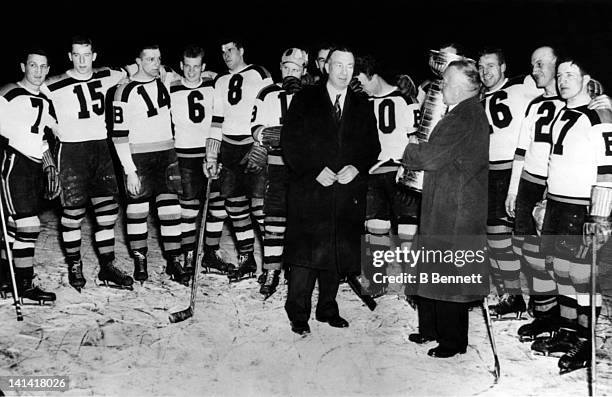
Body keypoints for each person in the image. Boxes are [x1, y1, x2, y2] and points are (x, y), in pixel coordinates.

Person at [282, 45, 380, 335]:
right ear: (326, 67)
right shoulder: (305, 98)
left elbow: (372, 147)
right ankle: (298, 313)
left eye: (349, 66)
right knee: (305, 254)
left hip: (344, 193)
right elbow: (290, 143)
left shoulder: (362, 104)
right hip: (311, 190)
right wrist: (313, 171)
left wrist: (357, 167)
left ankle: (327, 307)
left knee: (336, 253)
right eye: (338, 65)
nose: (343, 72)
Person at [403, 59, 489, 358]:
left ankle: (453, 342)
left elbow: (431, 158)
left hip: (456, 209)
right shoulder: (462, 113)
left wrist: (411, 147)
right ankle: (430, 329)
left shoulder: (466, 116)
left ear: (466, 87)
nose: (443, 87)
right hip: (444, 202)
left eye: (448, 83)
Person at [535, 57, 612, 373]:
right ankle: (567, 333)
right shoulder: (561, 112)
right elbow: (556, 160)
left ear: (586, 78)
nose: (564, 80)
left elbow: (608, 168)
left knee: (583, 279)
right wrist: (544, 198)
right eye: (561, 75)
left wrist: (600, 216)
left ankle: (586, 341)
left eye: (572, 75)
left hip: (582, 206)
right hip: (557, 202)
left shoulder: (599, 114)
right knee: (562, 272)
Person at [41, 36, 134, 291]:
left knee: (106, 213)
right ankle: (74, 264)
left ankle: (107, 266)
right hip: (71, 152)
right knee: (72, 215)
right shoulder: (52, 84)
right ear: (70, 56)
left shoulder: (107, 75)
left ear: (94, 55)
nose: (82, 61)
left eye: (87, 55)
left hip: (101, 149)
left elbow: (136, 70)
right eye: (76, 55)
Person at [112, 44, 185, 285]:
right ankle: (140, 260)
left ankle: (174, 261)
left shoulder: (163, 79)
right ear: (139, 61)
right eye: (151, 59)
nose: (157, 64)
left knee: (171, 211)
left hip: (166, 153)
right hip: (139, 156)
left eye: (159, 59)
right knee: (136, 212)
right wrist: (129, 170)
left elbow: (189, 74)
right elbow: (119, 135)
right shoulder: (123, 91)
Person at [479, 48, 542, 318]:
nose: (486, 72)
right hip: (490, 172)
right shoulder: (479, 95)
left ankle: (544, 304)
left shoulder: (523, 85)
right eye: (481, 67)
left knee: (526, 240)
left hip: (517, 171)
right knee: (496, 239)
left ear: (503, 67)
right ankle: (512, 296)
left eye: (491, 66)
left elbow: (557, 92)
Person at [206, 38, 273, 281]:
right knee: (235, 207)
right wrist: (212, 153)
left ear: (242, 50)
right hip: (229, 148)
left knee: (260, 208)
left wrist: (263, 146)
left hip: (252, 145)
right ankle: (247, 259)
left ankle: (273, 263)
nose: (226, 55)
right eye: (222, 51)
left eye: (230, 50)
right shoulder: (220, 80)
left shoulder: (259, 73)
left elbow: (271, 109)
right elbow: (217, 118)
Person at [354, 54, 421, 296]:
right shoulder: (365, 102)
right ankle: (377, 281)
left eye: (360, 79)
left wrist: (409, 167)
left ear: (372, 75)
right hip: (374, 173)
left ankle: (413, 284)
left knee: (407, 231)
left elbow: (415, 139)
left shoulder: (404, 99)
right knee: (375, 226)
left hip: (400, 172)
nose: (359, 84)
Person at [0, 48, 59, 304]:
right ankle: (23, 284)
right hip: (13, 163)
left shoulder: (45, 100)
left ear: (47, 70)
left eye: (43, 67)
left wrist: (49, 164)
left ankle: (4, 278)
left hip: (33, 167)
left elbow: (41, 138)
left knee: (14, 228)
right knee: (28, 224)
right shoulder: (8, 93)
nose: (38, 71)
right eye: (33, 66)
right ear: (23, 66)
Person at [251, 47, 309, 298]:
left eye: (296, 69)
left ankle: (297, 270)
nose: (290, 73)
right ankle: (272, 269)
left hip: (304, 166)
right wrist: (266, 134)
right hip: (275, 162)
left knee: (301, 217)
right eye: (286, 68)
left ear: (305, 71)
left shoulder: (313, 94)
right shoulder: (267, 92)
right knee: (273, 216)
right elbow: (255, 127)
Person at [168, 45, 215, 280]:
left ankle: (210, 254)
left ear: (203, 68)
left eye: (197, 67)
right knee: (187, 209)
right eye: (187, 66)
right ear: (181, 66)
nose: (192, 72)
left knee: (215, 206)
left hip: (209, 153)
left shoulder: (212, 86)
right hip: (184, 154)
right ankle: (187, 254)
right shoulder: (171, 87)